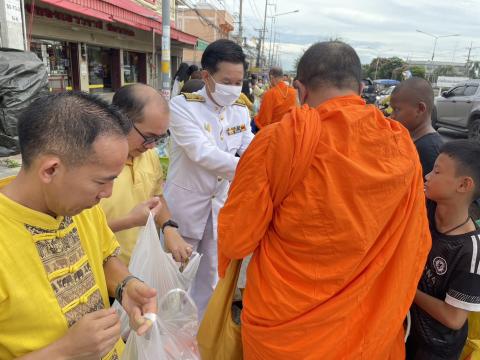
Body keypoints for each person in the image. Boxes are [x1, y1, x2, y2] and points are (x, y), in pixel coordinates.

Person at [217, 41, 431, 359]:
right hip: (367, 330)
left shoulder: (278, 142)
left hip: (285, 331)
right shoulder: (401, 147)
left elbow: (236, 239)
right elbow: (415, 243)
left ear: (300, 89)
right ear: (360, 88)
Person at [0, 92, 157, 359]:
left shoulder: (78, 206)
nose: (107, 193)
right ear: (50, 170)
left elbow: (104, 256)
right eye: (101, 182)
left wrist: (125, 286)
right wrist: (64, 351)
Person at [165, 39, 254, 319]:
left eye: (238, 81)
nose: (233, 88)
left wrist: (267, 158)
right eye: (227, 80)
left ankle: (200, 338)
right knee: (176, 278)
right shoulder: (182, 107)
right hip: (185, 208)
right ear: (206, 76)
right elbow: (202, 153)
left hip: (219, 209)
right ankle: (168, 340)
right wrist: (256, 170)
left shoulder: (240, 110)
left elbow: (251, 148)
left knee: (211, 278)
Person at [100, 84, 192, 265]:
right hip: (105, 270)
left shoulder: (148, 155)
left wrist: (168, 227)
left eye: (159, 138)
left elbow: (156, 196)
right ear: (119, 120)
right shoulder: (91, 165)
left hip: (141, 264)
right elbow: (78, 233)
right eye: (148, 137)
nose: (152, 146)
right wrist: (128, 221)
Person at [407, 140, 480, 360]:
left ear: (463, 185)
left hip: (435, 348)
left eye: (437, 171)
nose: (427, 176)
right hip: (407, 328)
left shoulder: (470, 250)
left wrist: (406, 288)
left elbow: (454, 318)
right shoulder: (424, 207)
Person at [391, 77, 444, 177]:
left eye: (397, 109)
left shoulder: (430, 150)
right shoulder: (412, 139)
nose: (392, 116)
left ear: (420, 109)